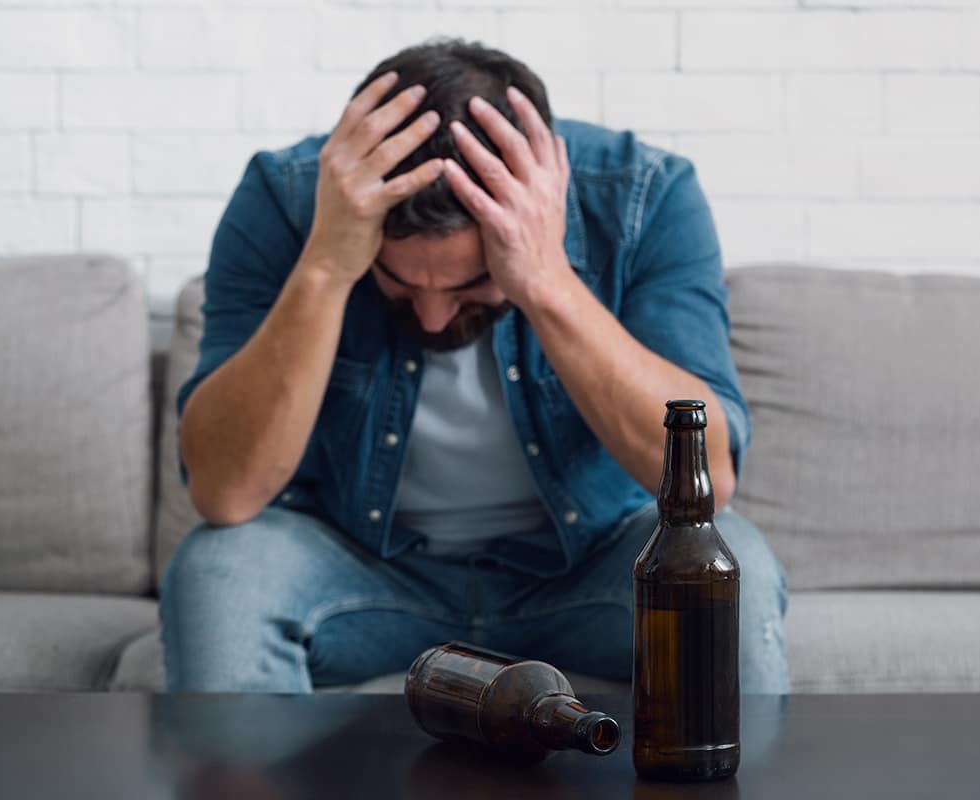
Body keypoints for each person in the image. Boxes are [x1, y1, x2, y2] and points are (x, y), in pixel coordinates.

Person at [159, 37, 788, 694]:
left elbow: (708, 480)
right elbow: (224, 493)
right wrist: (325, 268)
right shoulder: (285, 200)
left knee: (731, 566)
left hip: (592, 568)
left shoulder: (645, 195)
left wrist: (545, 282)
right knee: (218, 571)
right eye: (401, 286)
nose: (433, 320)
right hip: (363, 571)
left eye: (470, 287)